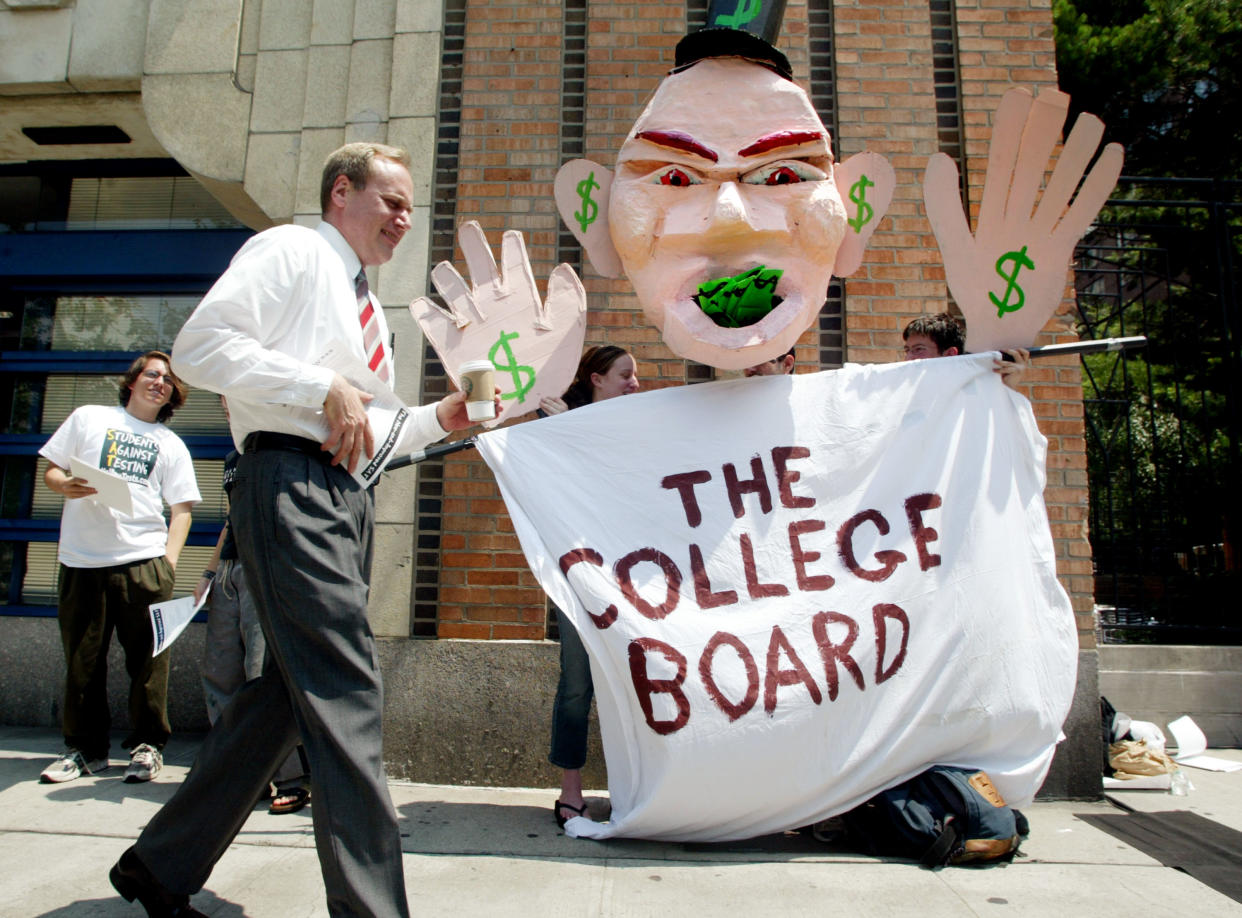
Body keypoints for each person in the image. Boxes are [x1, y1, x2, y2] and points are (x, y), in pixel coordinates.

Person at [108, 142, 496, 918]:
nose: (404, 218)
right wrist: (321, 384)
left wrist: (435, 421)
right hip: (289, 484)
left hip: (338, 493)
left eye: (410, 207)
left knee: (287, 698)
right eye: (391, 201)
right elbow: (199, 349)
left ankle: (159, 864)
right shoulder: (290, 250)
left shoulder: (362, 307)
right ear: (341, 192)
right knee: (346, 689)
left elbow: (369, 434)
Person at [38, 351, 201, 785]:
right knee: (82, 662)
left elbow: (182, 510)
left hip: (143, 564)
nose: (159, 383)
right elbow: (51, 470)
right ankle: (85, 751)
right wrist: (64, 485)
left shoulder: (170, 443)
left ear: (173, 394)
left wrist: (166, 564)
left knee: (149, 662)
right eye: (152, 374)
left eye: (168, 380)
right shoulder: (88, 417)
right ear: (133, 380)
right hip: (81, 561)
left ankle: (148, 746)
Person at [537, 345, 640, 828]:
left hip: (631, 577)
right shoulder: (560, 423)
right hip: (578, 576)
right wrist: (555, 431)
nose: (635, 384)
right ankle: (570, 792)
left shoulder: (633, 429)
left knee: (637, 683)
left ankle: (638, 787)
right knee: (577, 683)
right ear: (597, 379)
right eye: (626, 375)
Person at [195, 399, 310, 815]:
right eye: (224, 401)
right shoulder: (233, 457)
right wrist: (209, 574)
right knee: (219, 674)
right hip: (229, 573)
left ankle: (290, 777)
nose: (229, 407)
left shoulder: (283, 449)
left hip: (268, 572)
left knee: (261, 676)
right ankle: (238, 775)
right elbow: (231, 519)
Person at [902, 312, 1030, 389]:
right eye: (907, 350)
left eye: (919, 349)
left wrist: (1007, 389)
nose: (908, 358)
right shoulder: (902, 395)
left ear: (950, 354)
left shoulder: (976, 394)